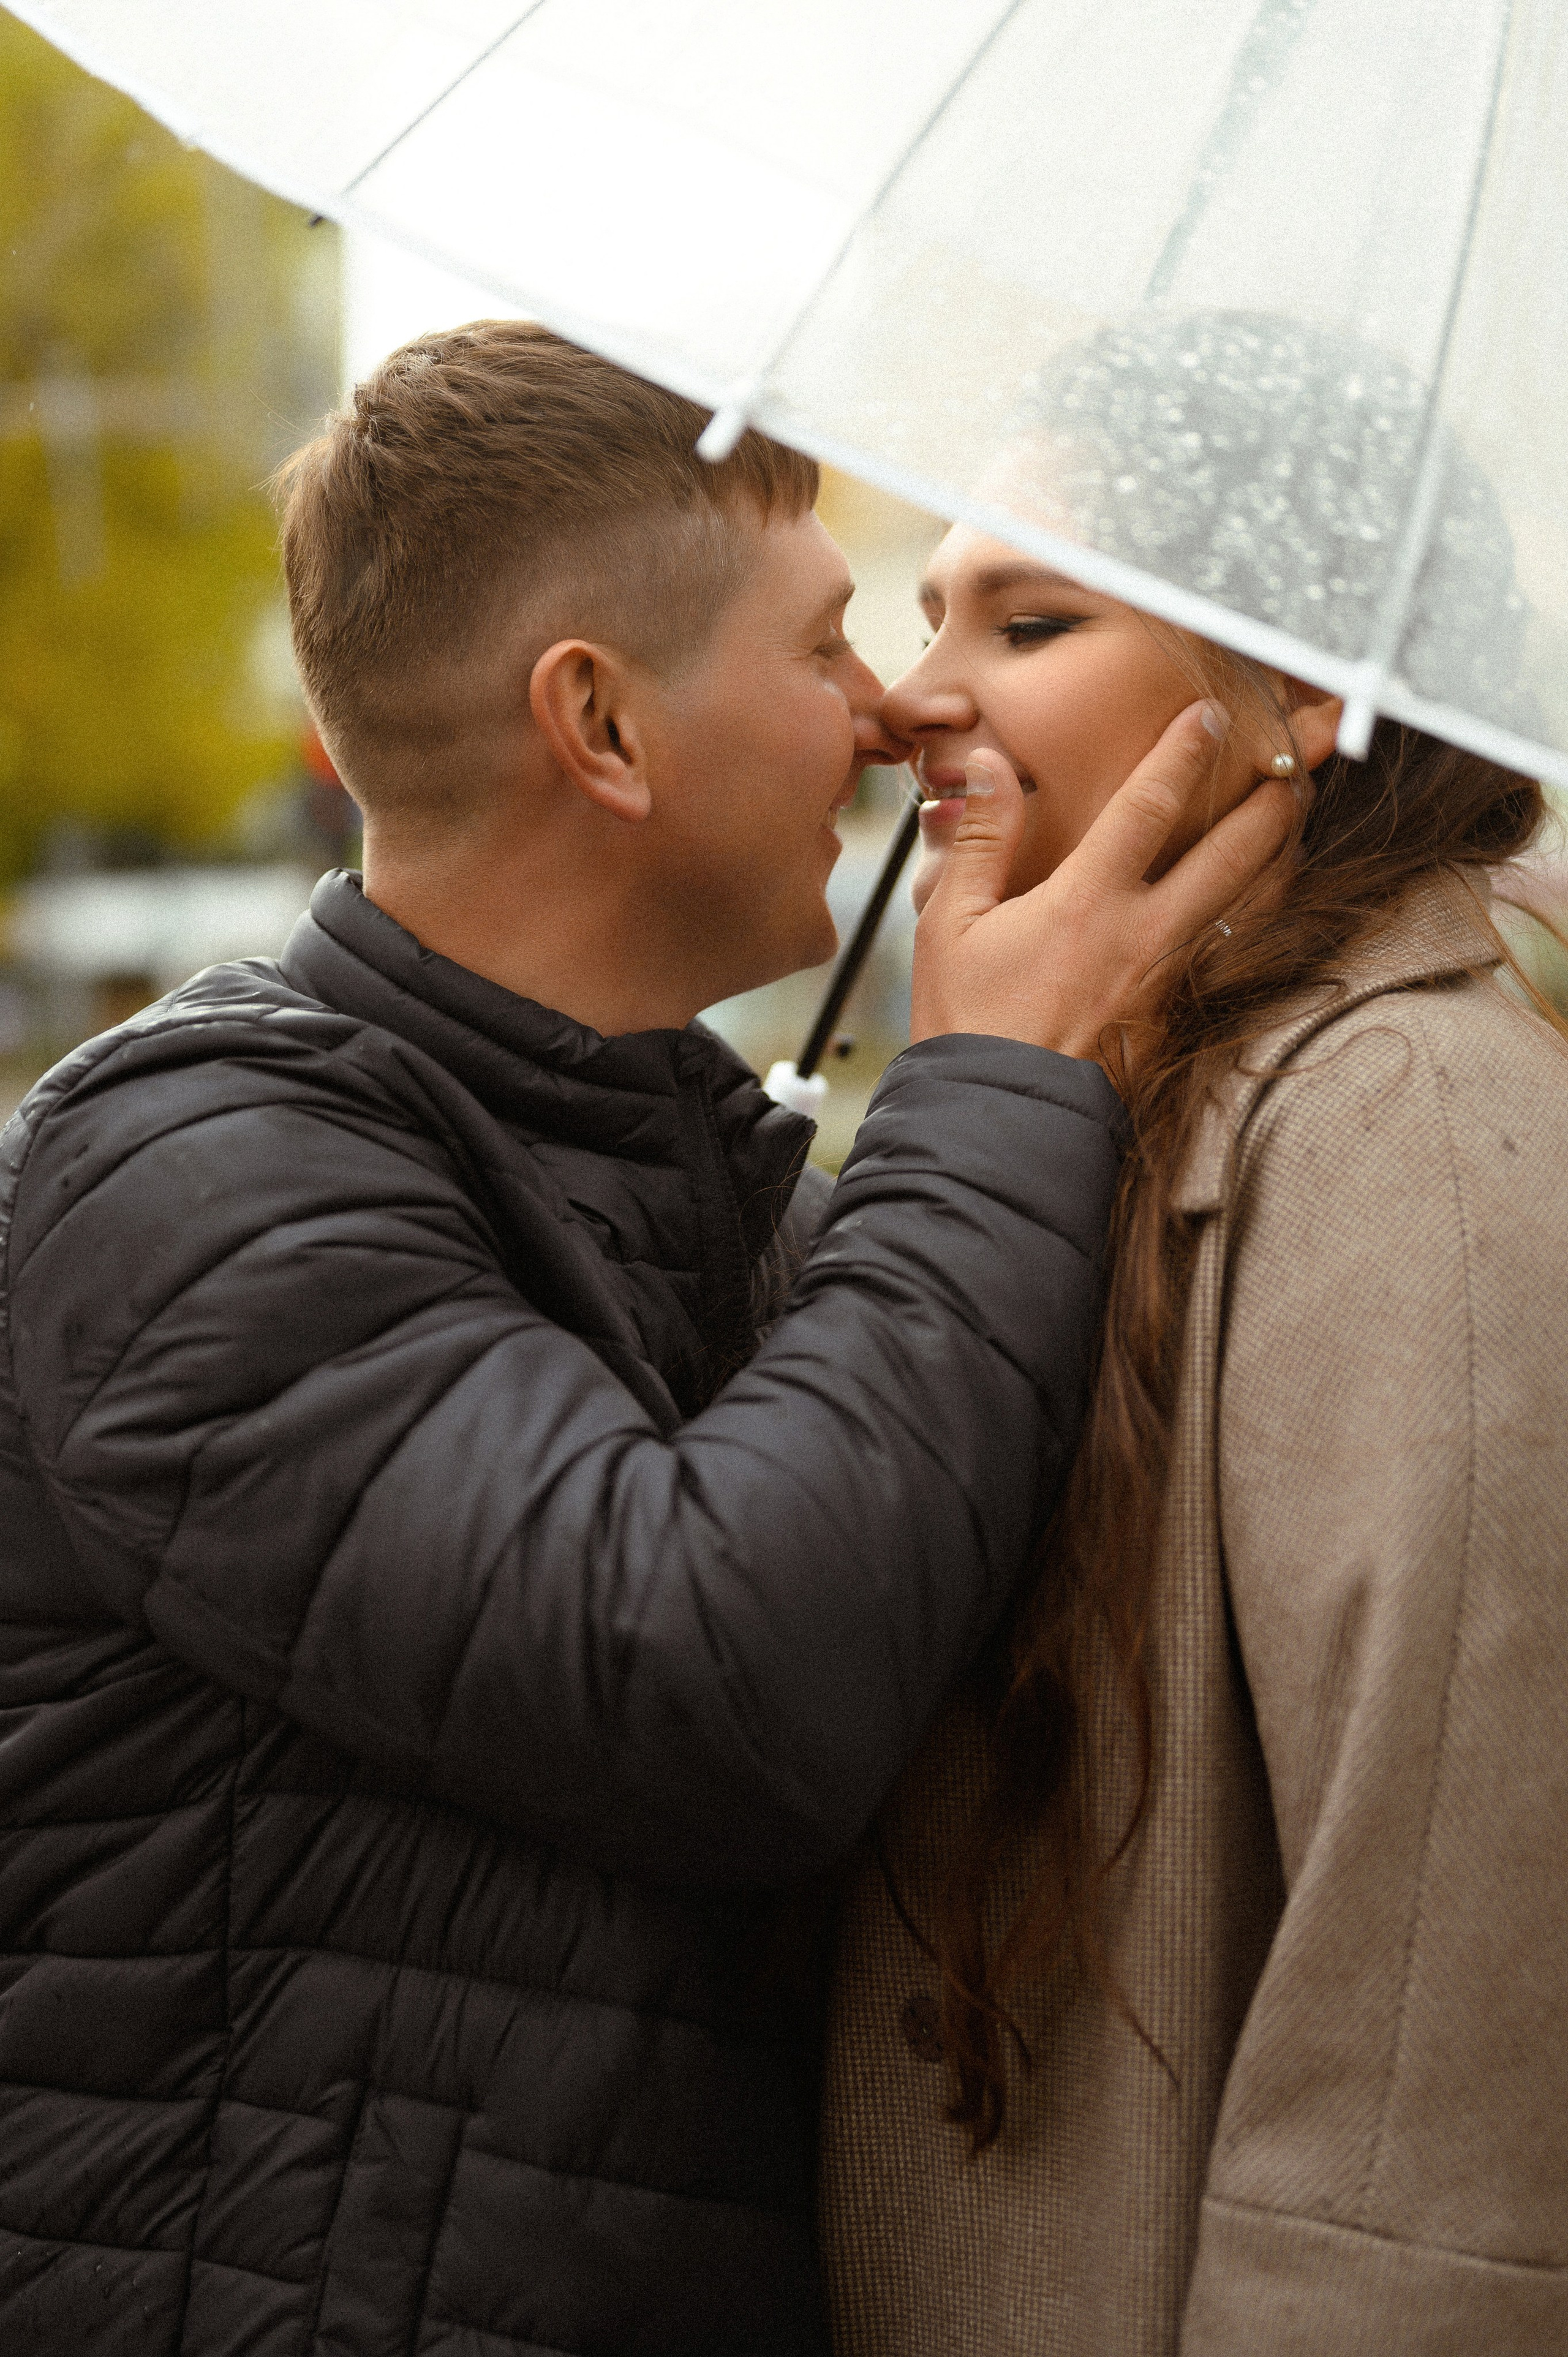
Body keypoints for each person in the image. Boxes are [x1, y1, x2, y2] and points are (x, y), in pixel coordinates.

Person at [0, 322, 1292, 2357]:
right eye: (823, 645)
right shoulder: (195, 1177)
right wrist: (987, 1090)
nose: (887, 716)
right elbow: (718, 1686)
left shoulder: (697, 1177)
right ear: (601, 726)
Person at [820, 312, 1568, 2356]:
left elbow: (1438, 2042)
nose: (917, 691)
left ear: (1307, 689)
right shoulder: (1110, 1104)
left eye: (1034, 618)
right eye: (926, 609)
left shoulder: (1402, 1138)